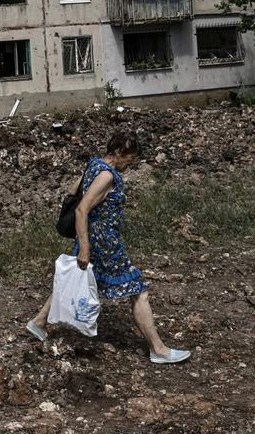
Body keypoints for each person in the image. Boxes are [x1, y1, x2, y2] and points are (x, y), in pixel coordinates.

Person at [25, 131, 191, 364]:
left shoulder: (94, 164)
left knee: (73, 278)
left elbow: (73, 192)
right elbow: (82, 209)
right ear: (120, 152)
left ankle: (39, 322)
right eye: (129, 159)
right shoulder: (107, 175)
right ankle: (159, 350)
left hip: (91, 236)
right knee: (137, 289)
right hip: (104, 242)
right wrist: (85, 249)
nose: (129, 165)